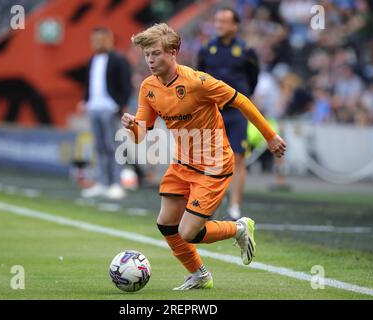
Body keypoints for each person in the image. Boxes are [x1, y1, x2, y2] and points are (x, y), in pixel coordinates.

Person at [122, 23, 286, 290]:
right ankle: (200, 275)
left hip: (214, 164)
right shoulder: (148, 87)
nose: (150, 60)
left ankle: (239, 229)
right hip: (183, 162)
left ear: (173, 52)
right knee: (166, 223)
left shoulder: (198, 82)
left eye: (155, 53)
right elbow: (141, 133)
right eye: (146, 55)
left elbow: (242, 100)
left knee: (189, 232)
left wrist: (269, 136)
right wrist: (132, 127)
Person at [197, 7, 260, 220]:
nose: (219, 25)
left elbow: (253, 79)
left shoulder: (246, 50)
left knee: (238, 158)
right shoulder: (206, 49)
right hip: (212, 111)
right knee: (211, 158)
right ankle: (215, 197)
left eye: (224, 21)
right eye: (217, 21)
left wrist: (242, 99)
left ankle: (235, 205)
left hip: (236, 112)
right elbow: (200, 78)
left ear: (235, 25)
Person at [79, 27, 132, 199]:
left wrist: (121, 104)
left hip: (110, 108)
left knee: (113, 147)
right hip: (94, 107)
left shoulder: (118, 59)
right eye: (95, 40)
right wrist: (85, 100)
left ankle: (116, 183)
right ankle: (102, 183)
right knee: (100, 147)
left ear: (109, 40)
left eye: (101, 39)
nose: (98, 43)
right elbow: (89, 84)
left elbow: (126, 84)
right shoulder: (92, 59)